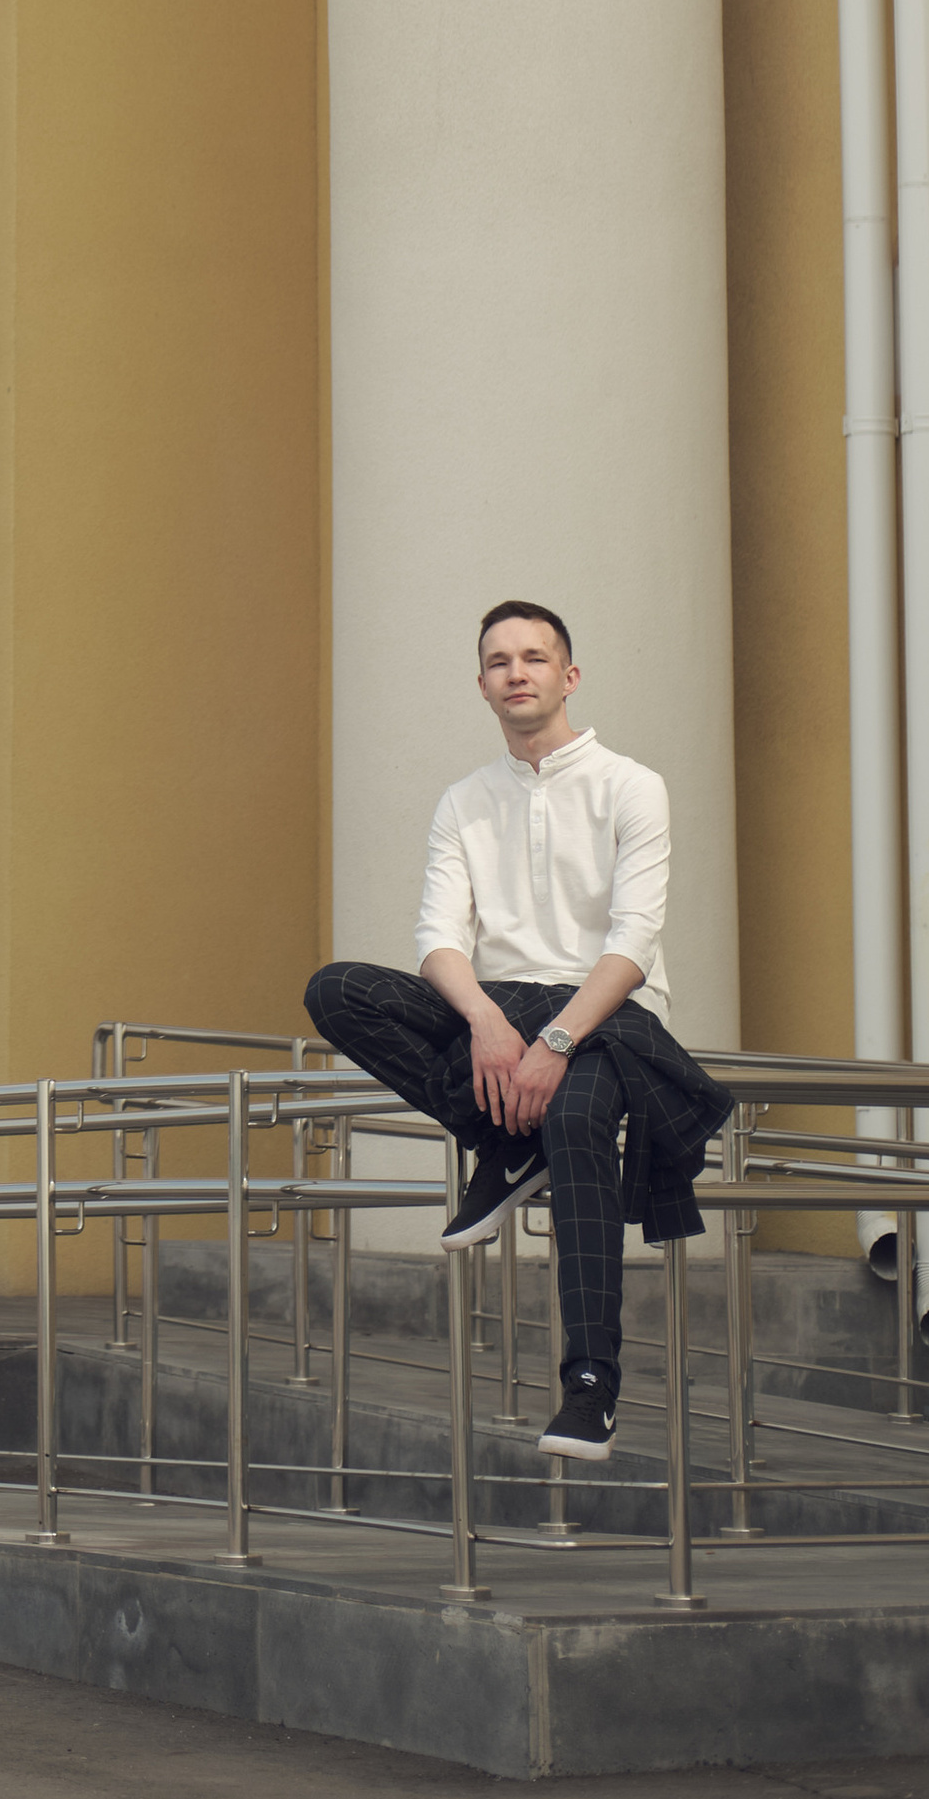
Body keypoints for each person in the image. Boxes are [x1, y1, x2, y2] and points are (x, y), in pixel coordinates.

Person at [303, 600, 733, 1454]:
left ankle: (590, 1384)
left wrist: (555, 1041)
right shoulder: (464, 801)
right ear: (483, 684)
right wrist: (491, 1026)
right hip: (501, 1009)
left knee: (573, 1115)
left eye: (535, 657)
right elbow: (436, 940)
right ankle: (499, 1132)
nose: (518, 672)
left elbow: (633, 942)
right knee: (338, 988)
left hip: (611, 1017)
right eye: (500, 661)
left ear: (568, 676)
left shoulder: (631, 785)